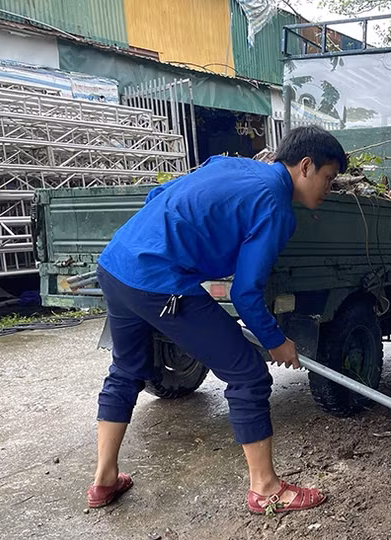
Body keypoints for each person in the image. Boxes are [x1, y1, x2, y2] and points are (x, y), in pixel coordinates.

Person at [86, 125, 347, 514]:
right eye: (328, 178)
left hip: (117, 261)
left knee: (127, 369)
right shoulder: (274, 203)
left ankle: (104, 481)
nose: (329, 189)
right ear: (305, 166)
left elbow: (160, 195)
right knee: (247, 373)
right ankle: (266, 489)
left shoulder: (230, 164)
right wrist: (275, 340)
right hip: (159, 280)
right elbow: (245, 292)